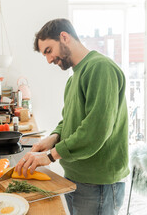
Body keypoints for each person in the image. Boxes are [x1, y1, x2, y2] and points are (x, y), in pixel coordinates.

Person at [15, 18, 129, 215]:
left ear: (64, 37)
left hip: (98, 183)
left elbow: (95, 129)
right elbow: (69, 120)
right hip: (76, 177)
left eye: (49, 51)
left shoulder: (100, 68)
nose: (49, 60)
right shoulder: (74, 78)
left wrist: (49, 156)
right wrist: (53, 138)